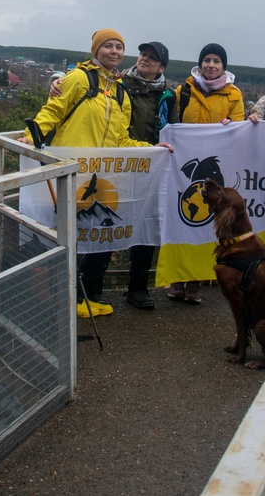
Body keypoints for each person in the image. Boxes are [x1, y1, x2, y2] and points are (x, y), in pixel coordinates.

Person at [23, 29, 166, 319]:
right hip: (71, 173)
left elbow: (121, 139)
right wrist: (29, 136)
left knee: (101, 233)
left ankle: (89, 297)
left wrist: (152, 149)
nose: (114, 52)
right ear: (96, 50)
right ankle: (61, 297)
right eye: (108, 46)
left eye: (119, 47)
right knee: (67, 235)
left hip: (103, 177)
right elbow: (53, 111)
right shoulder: (79, 78)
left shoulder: (120, 91)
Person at [54, 41, 180, 309]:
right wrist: (55, 81)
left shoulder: (168, 96)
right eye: (143, 54)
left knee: (144, 225)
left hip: (148, 166)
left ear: (162, 67)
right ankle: (90, 289)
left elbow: (175, 128)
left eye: (153, 57)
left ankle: (138, 290)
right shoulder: (118, 84)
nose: (145, 59)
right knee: (105, 225)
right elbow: (79, 88)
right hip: (115, 164)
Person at [168, 43, 245, 304]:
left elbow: (239, 127)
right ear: (200, 64)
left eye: (216, 61)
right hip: (186, 167)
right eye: (207, 60)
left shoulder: (234, 95)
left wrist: (231, 127)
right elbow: (173, 122)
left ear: (224, 66)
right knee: (182, 221)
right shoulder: (184, 90)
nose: (211, 65)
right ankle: (177, 277)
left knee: (205, 223)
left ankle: (196, 281)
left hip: (214, 169)